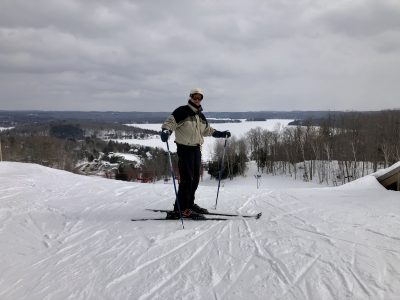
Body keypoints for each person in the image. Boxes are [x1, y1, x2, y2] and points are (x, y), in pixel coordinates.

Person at [161, 88, 231, 219]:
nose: (197, 99)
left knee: (195, 180)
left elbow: (207, 130)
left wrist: (221, 133)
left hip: (196, 149)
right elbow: (170, 123)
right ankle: (182, 208)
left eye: (200, 97)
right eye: (195, 97)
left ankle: (189, 204)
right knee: (187, 180)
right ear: (191, 97)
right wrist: (166, 131)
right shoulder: (181, 111)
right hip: (184, 149)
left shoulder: (200, 115)